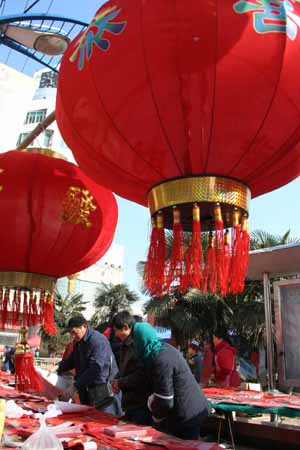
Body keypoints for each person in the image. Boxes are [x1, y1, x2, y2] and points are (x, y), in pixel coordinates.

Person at [133, 321, 209, 439]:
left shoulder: (161, 359)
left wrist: (156, 416)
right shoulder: (161, 350)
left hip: (187, 413)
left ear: (141, 340)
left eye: (135, 340)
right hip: (187, 409)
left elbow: (165, 400)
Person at [57, 315, 122, 415]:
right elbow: (72, 360)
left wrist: (75, 387)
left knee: (103, 421)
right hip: (87, 391)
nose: (72, 336)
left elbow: (95, 369)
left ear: (84, 327)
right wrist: (58, 366)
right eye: (70, 333)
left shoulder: (97, 341)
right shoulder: (78, 342)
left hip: (103, 392)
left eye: (74, 332)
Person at [111, 311, 152, 425]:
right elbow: (125, 368)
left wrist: (121, 382)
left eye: (116, 330)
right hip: (129, 401)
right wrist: (116, 379)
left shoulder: (138, 344)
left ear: (126, 327)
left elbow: (141, 374)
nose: (115, 334)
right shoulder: (124, 344)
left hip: (140, 402)